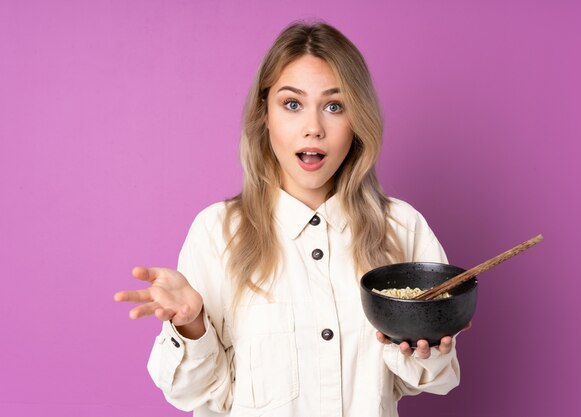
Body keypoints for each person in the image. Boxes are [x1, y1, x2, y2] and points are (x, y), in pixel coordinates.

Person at [114, 21, 463, 417]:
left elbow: (428, 378)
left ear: (358, 120)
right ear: (265, 114)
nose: (313, 128)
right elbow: (197, 395)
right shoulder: (217, 233)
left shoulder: (402, 229)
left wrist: (426, 345)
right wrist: (191, 326)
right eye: (292, 104)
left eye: (335, 106)